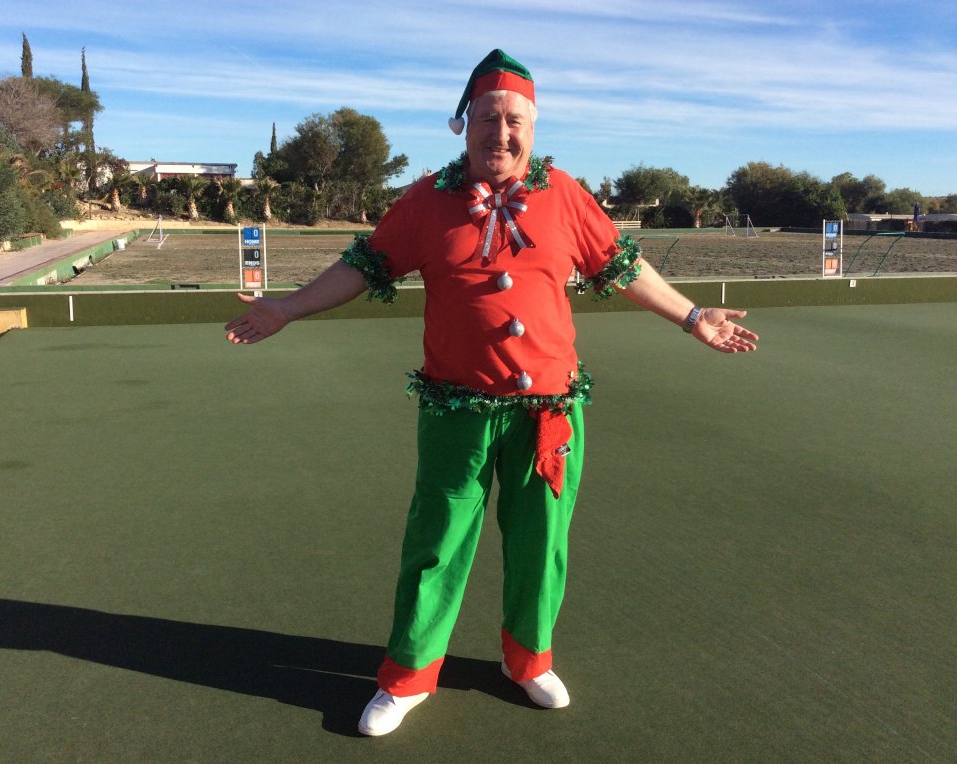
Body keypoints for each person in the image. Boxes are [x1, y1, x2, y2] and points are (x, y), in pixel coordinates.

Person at [224, 49, 759, 737]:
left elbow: (622, 265)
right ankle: (409, 675)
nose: (500, 134)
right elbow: (362, 266)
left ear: (533, 129)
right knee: (437, 542)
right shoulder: (426, 200)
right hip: (458, 410)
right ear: (463, 124)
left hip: (549, 412)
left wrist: (692, 315)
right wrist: (286, 309)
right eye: (487, 119)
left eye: (515, 122)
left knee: (542, 542)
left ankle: (527, 660)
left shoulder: (564, 194)